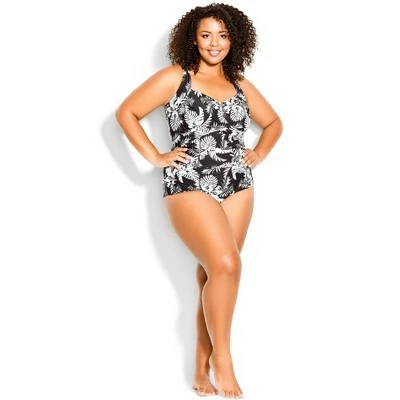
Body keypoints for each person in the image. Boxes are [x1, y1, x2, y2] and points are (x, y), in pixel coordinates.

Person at [115, 3, 282, 398]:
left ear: (234, 40)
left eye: (222, 36)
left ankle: (199, 368)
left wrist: (259, 152)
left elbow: (274, 122)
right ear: (193, 38)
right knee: (226, 264)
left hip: (237, 182)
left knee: (214, 273)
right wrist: (156, 156)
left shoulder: (240, 84)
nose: (214, 43)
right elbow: (127, 112)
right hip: (189, 180)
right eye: (206, 35)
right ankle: (223, 359)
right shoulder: (177, 77)